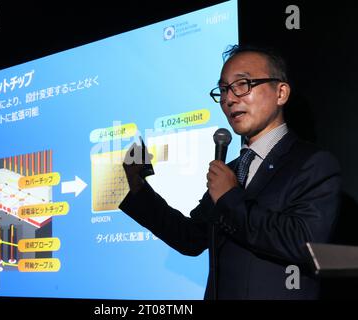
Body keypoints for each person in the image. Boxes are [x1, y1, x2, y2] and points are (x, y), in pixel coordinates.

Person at [119, 44, 341, 300]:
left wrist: (230, 198)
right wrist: (138, 187)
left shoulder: (313, 163)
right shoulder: (233, 169)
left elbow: (305, 244)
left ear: (281, 93)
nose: (229, 99)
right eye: (224, 89)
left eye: (243, 84)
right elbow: (190, 239)